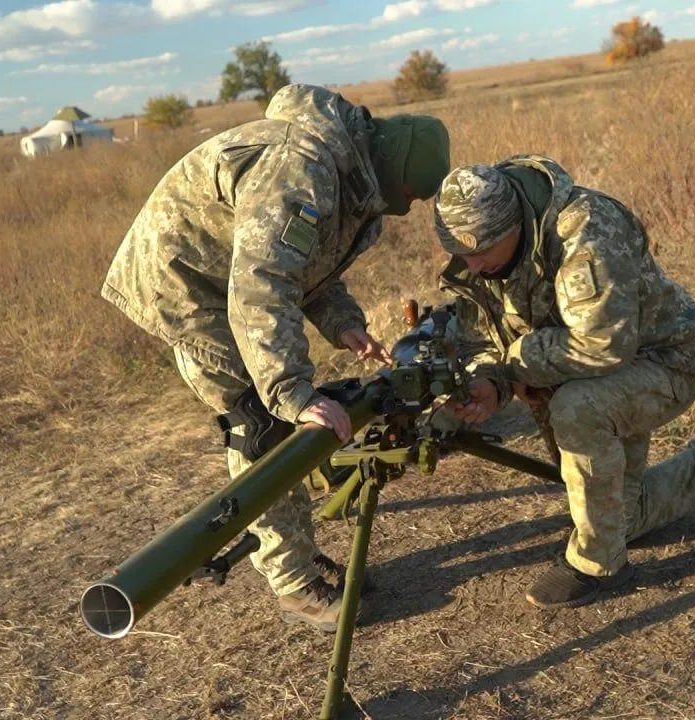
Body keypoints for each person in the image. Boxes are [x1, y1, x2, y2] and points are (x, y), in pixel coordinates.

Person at [99, 84, 450, 632]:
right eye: (402, 193)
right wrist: (293, 392)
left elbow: (306, 263)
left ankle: (298, 556)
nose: (398, 207)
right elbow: (263, 282)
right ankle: (294, 583)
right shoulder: (302, 167)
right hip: (188, 286)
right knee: (261, 427)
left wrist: (344, 324)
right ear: (390, 166)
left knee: (281, 416)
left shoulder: (352, 173)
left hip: (231, 279)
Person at [431, 154, 695, 610]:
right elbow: (483, 337)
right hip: (585, 370)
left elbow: (603, 344)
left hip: (666, 359)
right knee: (615, 516)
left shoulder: (586, 229)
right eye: (462, 253)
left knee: (577, 410)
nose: (474, 264)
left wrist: (516, 365)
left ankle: (598, 564)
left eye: (482, 250)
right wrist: (490, 382)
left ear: (515, 227)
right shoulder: (480, 257)